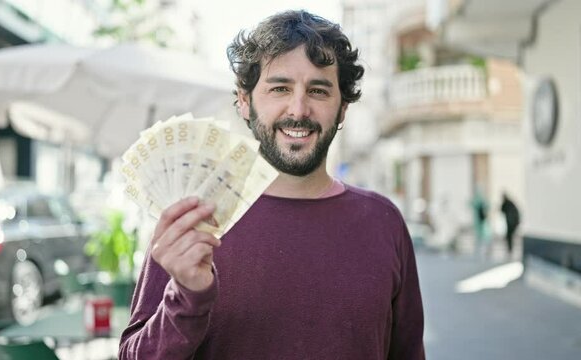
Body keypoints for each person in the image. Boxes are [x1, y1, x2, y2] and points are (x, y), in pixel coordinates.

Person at [119, 10, 425, 359]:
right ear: (245, 102)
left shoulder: (383, 221)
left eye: (319, 90)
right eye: (280, 88)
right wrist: (187, 298)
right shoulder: (191, 217)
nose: (298, 109)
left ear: (342, 109)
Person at [500, 192, 520, 257]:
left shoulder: (507, 203)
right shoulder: (510, 203)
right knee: (509, 236)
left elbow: (501, 209)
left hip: (512, 223)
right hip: (512, 222)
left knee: (509, 236)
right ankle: (510, 249)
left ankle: (510, 250)